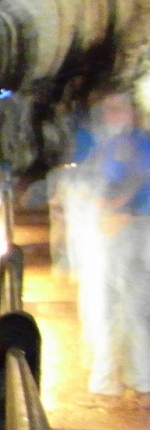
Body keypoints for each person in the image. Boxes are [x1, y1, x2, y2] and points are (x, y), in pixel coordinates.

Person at [83, 91, 150, 395]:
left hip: (130, 229)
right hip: (119, 228)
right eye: (108, 109)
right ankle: (129, 375)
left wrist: (118, 209)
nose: (111, 115)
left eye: (117, 109)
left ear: (132, 113)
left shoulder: (130, 145)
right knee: (120, 303)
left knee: (126, 303)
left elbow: (134, 180)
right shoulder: (116, 144)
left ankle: (128, 376)